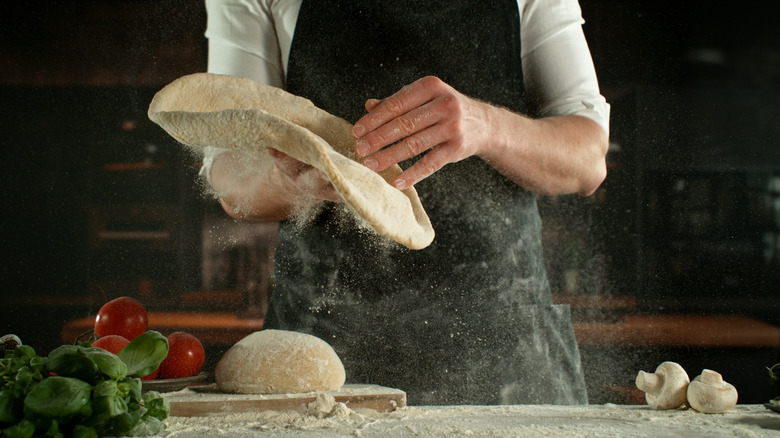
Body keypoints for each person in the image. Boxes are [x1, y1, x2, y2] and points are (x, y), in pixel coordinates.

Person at [201, 0, 610, 405]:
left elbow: (587, 159)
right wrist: (297, 182)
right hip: (322, 356)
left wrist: (487, 127)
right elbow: (234, 181)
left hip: (509, 353)